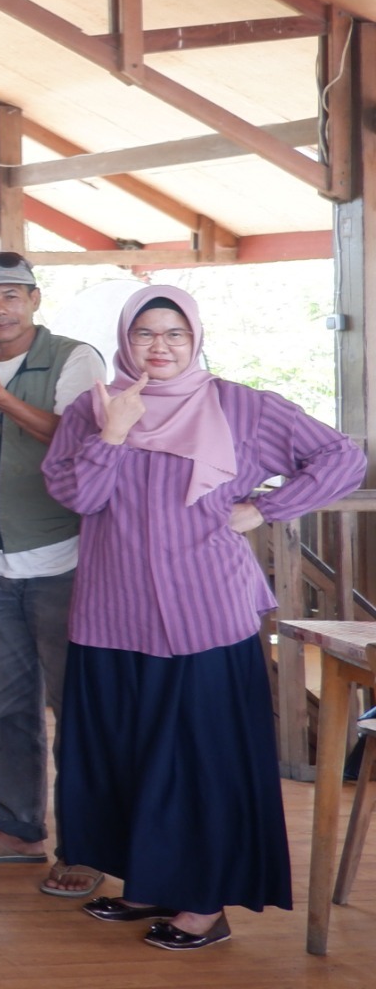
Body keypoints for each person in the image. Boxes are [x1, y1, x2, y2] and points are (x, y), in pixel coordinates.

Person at [42, 286, 365, 950]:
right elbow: (77, 495)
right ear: (125, 339)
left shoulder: (240, 406)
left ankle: (203, 905)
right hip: (110, 613)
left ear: (195, 339)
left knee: (196, 762)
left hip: (204, 614)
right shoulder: (93, 408)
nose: (159, 347)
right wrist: (113, 432)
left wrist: (266, 509)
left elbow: (343, 457)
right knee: (126, 754)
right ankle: (146, 881)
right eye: (144, 334)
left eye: (174, 334)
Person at [0, 251, 107, 891]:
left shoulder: (74, 359)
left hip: (61, 554)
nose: (0, 308)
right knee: (5, 706)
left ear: (35, 299)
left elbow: (80, 441)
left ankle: (86, 844)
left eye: (12, 295)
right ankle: (18, 828)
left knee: (74, 706)